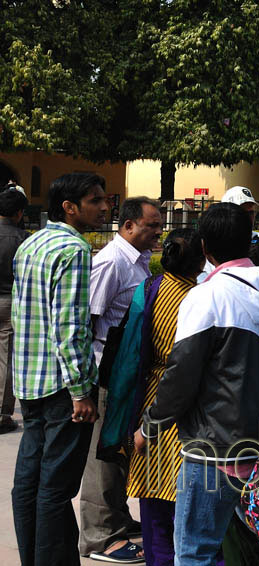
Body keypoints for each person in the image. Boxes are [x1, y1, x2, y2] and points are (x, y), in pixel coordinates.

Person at [138, 202, 259, 566]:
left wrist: (150, 426)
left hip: (213, 450)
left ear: (204, 248)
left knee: (195, 552)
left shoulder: (204, 297)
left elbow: (180, 377)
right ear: (249, 240)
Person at [11, 172, 110, 565]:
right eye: (95, 200)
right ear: (69, 207)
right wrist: (81, 391)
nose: (104, 207)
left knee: (29, 483)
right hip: (61, 387)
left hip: (30, 380)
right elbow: (70, 328)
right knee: (53, 488)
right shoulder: (74, 250)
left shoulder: (31, 243)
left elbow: (22, 315)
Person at [80, 196, 162, 564]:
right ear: (128, 226)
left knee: (119, 451)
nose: (158, 232)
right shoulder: (111, 262)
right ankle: (100, 537)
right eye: (152, 225)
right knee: (103, 454)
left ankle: (116, 519)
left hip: (125, 372)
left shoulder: (138, 261)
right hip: (107, 371)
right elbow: (88, 321)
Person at [124, 229, 206, 566]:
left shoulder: (149, 289)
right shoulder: (200, 298)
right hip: (186, 404)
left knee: (153, 500)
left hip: (149, 398)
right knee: (186, 504)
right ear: (201, 260)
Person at [0, 185, 30, 435]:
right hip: (10, 301)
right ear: (19, 213)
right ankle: (2, 413)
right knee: (6, 358)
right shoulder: (24, 239)